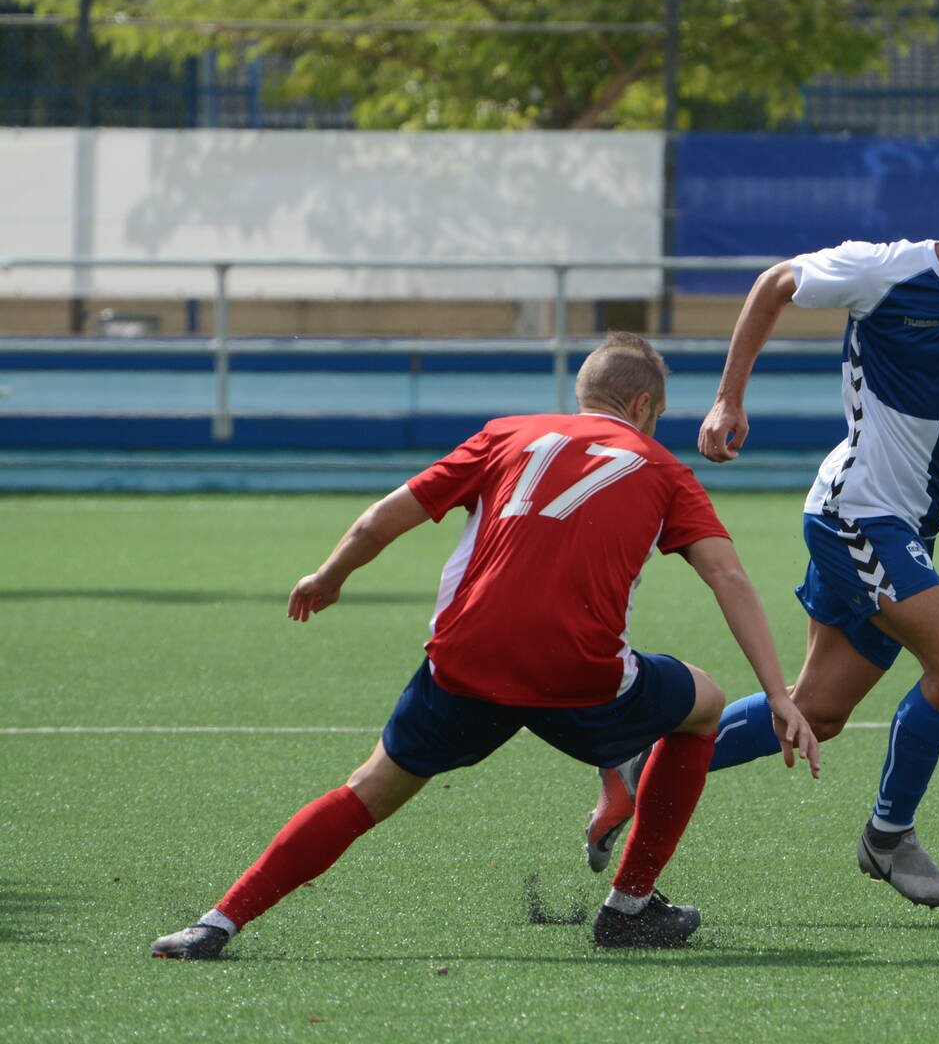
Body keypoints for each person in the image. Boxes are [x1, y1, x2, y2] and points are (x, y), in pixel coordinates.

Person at [585, 121, 939, 907]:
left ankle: (639, 768)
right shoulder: (888, 272)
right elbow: (775, 283)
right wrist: (728, 398)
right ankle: (888, 838)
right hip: (856, 515)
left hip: (906, 525)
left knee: (818, 712)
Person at [151, 332, 819, 959]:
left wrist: (329, 575)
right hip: (579, 677)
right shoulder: (663, 469)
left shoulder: (506, 435)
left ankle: (218, 921)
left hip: (465, 665)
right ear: (643, 407)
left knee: (368, 788)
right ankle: (629, 905)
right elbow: (726, 574)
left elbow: (388, 514)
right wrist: (779, 692)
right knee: (705, 704)